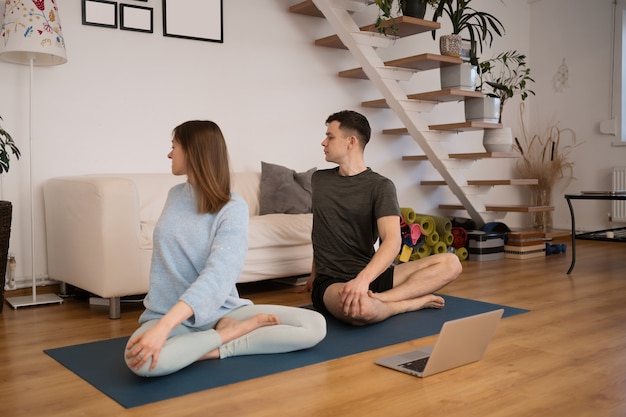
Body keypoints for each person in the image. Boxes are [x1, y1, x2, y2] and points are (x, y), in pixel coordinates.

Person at [125, 120, 326, 377]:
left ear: (193, 151)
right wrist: (164, 323)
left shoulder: (233, 207)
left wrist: (164, 329)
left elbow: (218, 276)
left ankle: (222, 341)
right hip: (166, 311)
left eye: (174, 146)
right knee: (139, 363)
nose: (169, 154)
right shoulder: (175, 195)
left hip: (223, 311)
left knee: (314, 325)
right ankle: (229, 335)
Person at [306, 110, 462, 326]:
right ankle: (408, 303)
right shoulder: (319, 180)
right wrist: (314, 274)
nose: (324, 142)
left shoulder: (380, 186)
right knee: (358, 311)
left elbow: (393, 240)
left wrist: (362, 281)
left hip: (370, 275)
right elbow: (321, 231)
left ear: (351, 142)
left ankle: (383, 300)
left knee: (452, 263)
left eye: (330, 136)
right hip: (333, 281)